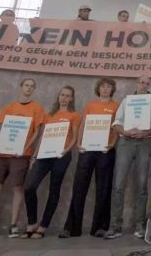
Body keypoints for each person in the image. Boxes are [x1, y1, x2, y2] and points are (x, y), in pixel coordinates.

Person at [0, 78, 46, 239]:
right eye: (26, 85)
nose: (29, 88)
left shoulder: (37, 108)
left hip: (21, 155)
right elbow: (0, 130)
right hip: (2, 154)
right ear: (21, 87)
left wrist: (26, 149)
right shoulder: (9, 107)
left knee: (18, 187)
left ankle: (13, 225)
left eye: (32, 86)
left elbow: (37, 132)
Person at [61, 78, 120, 238]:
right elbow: (84, 125)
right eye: (103, 86)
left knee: (104, 189)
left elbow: (117, 128)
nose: (106, 89)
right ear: (98, 89)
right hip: (87, 149)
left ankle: (100, 227)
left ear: (112, 90)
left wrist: (112, 144)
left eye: (109, 87)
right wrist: (79, 143)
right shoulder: (90, 105)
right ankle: (71, 228)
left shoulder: (116, 106)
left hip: (105, 151)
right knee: (79, 187)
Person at [104, 77, 151, 239]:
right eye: (141, 82)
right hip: (126, 143)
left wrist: (145, 132)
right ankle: (115, 226)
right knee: (118, 184)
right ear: (136, 84)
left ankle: (139, 225)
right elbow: (116, 123)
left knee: (142, 185)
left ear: (149, 86)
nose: (144, 85)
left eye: (146, 83)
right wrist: (124, 132)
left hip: (144, 143)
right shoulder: (126, 101)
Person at [21, 86, 81, 239]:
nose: (64, 98)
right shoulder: (49, 115)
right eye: (62, 95)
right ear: (58, 96)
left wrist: (65, 150)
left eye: (68, 96)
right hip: (43, 156)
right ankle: (32, 222)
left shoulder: (74, 115)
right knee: (29, 187)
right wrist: (34, 156)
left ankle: (43, 226)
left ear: (72, 99)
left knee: (54, 190)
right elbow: (42, 137)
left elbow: (74, 138)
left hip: (61, 156)